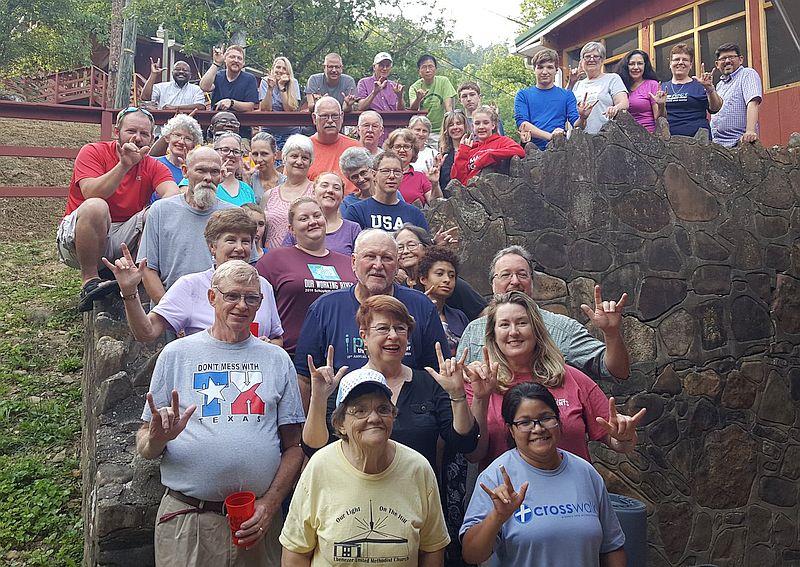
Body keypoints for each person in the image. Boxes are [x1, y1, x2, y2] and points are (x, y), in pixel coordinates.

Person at [136, 260, 304, 566]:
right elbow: (146, 444)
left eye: (251, 298)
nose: (242, 305)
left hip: (256, 522)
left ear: (260, 303)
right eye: (232, 296)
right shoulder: (177, 354)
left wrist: (270, 504)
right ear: (212, 298)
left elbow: (294, 447)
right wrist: (157, 439)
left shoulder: (277, 360)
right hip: (189, 521)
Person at [280, 368, 450, 566]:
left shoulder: (418, 468)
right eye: (360, 410)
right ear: (340, 424)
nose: (374, 418)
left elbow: (432, 549)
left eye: (383, 409)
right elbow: (296, 553)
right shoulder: (320, 467)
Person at [463, 291, 644, 469]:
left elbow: (618, 442)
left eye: (522, 323)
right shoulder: (480, 383)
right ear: (492, 335)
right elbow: (474, 455)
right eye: (504, 325)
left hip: (572, 492)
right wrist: (481, 398)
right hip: (508, 495)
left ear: (537, 330)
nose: (514, 332)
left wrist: (624, 436)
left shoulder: (572, 378)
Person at [302, 293, 481, 468]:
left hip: (415, 489)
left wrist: (457, 394)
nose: (393, 335)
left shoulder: (429, 383)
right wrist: (318, 398)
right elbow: (314, 448)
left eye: (400, 328)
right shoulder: (347, 384)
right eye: (383, 328)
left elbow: (464, 444)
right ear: (363, 336)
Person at [460, 383, 626, 567]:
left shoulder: (586, 473)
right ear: (511, 430)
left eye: (546, 418)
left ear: (558, 420)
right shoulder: (496, 477)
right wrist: (496, 517)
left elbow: (612, 546)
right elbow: (472, 555)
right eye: (525, 422)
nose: (538, 429)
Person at [293, 229, 449, 403]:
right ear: (353, 261)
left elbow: (438, 373)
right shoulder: (324, 308)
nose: (378, 265)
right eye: (370, 256)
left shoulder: (421, 306)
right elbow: (304, 378)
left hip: (410, 418)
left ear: (397, 265)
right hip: (341, 420)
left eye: (387, 258)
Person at [58, 107, 178, 311]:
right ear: (117, 132)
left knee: (158, 211)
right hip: (78, 238)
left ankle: (138, 276)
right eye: (131, 131)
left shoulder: (153, 165)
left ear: (152, 138)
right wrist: (124, 165)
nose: (137, 138)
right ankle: (89, 281)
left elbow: (173, 195)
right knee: (96, 206)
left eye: (144, 134)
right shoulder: (93, 151)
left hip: (124, 237)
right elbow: (91, 193)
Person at [103, 208, 283, 344]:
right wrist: (129, 292)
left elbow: (277, 337)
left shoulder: (262, 286)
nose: (239, 248)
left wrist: (267, 347)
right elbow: (147, 332)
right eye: (231, 240)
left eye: (245, 241)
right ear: (212, 246)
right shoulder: (190, 285)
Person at [457, 245, 630, 382]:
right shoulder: (474, 332)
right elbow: (460, 384)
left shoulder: (563, 329)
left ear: (532, 283)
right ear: (493, 285)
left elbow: (617, 371)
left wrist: (612, 334)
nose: (515, 281)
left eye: (522, 274)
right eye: (506, 275)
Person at [257, 197, 356, 356]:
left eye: (317, 216)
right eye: (304, 218)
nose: (313, 221)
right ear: (291, 229)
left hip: (343, 354)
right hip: (292, 354)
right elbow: (258, 307)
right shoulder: (273, 260)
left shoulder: (349, 263)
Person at [137, 147, 233, 304]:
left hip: (220, 313)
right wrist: (170, 313)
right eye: (201, 170)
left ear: (221, 175)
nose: (208, 178)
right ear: (185, 171)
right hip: (170, 310)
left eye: (214, 172)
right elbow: (147, 269)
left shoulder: (232, 215)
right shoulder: (161, 211)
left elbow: (244, 267)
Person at [394, 224, 486, 321]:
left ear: (426, 248)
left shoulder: (446, 281)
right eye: (399, 247)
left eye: (411, 245)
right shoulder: (399, 287)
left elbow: (484, 312)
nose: (405, 251)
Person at [514, 49, 584, 150]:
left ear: (556, 70)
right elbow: (522, 125)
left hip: (559, 150)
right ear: (534, 69)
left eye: (550, 67)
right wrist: (551, 136)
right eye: (540, 67)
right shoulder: (523, 95)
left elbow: (577, 125)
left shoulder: (567, 95)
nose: (545, 72)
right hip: (531, 150)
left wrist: (583, 117)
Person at [343, 151, 430, 232]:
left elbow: (424, 245)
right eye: (385, 171)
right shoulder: (356, 211)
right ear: (374, 175)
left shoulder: (415, 214)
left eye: (397, 171)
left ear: (402, 176)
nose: (392, 176)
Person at [283, 172, 361, 255]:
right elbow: (284, 258)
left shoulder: (353, 229)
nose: (330, 190)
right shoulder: (300, 227)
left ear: (342, 197)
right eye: (324, 185)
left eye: (336, 188)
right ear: (313, 193)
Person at [263, 134, 315, 249]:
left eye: (305, 158)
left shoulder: (317, 192)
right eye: (294, 156)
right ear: (284, 158)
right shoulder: (269, 195)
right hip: (272, 260)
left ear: (311, 162)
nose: (299, 161)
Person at [451, 105, 525, 185]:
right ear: (473, 126)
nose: (481, 127)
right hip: (468, 191)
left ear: (493, 125)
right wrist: (462, 152)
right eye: (477, 123)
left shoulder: (502, 141)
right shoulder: (470, 148)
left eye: (486, 123)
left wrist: (490, 155)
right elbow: (457, 179)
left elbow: (519, 151)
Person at [663, 43, 722, 138]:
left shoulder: (700, 85)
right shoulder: (662, 87)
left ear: (690, 65)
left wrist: (710, 89)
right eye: (677, 59)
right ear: (670, 64)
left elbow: (715, 108)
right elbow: (659, 117)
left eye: (685, 60)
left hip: (698, 140)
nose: (680, 62)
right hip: (670, 141)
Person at [418, 246, 469, 355]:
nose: (447, 280)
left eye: (452, 276)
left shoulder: (459, 317)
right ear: (423, 279)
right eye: (439, 274)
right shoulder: (413, 312)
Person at [570, 41, 629, 134]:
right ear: (581, 62)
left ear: (602, 60)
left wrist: (615, 108)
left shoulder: (612, 78)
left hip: (605, 136)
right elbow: (563, 105)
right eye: (587, 56)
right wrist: (571, 82)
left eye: (596, 56)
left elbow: (624, 103)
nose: (591, 59)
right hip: (578, 138)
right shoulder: (577, 84)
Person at [710, 42, 762, 147]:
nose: (727, 61)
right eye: (723, 59)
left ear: (741, 59)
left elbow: (753, 102)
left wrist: (750, 131)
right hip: (717, 145)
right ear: (717, 64)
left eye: (731, 57)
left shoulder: (747, 74)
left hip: (739, 142)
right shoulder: (719, 85)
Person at [307, 96, 361, 193]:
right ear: (314, 118)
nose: (330, 120)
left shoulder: (355, 148)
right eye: (324, 116)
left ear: (342, 117)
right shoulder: (303, 149)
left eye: (335, 116)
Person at [384, 128, 440, 206]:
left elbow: (436, 204)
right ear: (390, 150)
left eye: (406, 146)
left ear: (413, 151)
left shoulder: (420, 177)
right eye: (397, 146)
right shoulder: (381, 175)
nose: (402, 150)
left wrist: (435, 184)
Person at [258, 56, 302, 151]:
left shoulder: (293, 83)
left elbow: (289, 110)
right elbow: (265, 109)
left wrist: (282, 87)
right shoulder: (265, 81)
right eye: (278, 67)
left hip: (290, 130)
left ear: (288, 72)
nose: (280, 70)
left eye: (284, 68)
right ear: (273, 68)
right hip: (268, 129)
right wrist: (270, 88)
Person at [199, 44, 260, 114]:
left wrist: (231, 103)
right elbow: (204, 87)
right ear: (225, 59)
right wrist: (216, 63)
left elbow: (250, 106)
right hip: (218, 119)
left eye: (239, 58)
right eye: (232, 57)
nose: (236, 60)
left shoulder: (249, 79)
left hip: (240, 121)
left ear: (243, 63)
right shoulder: (218, 76)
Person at [615, 50, 665, 133]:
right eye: (631, 64)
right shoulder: (619, 86)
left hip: (648, 135)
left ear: (645, 66)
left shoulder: (652, 84)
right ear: (626, 66)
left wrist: (661, 105)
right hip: (624, 137)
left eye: (640, 63)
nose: (636, 67)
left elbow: (659, 118)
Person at [409, 55, 457, 143]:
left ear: (435, 69)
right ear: (419, 71)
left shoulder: (443, 82)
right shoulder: (414, 87)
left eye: (430, 66)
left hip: (441, 131)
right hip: (422, 131)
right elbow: (413, 110)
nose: (428, 70)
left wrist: (450, 128)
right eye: (424, 67)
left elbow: (448, 108)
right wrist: (418, 99)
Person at [151, 113, 204, 186]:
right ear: (167, 137)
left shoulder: (197, 171)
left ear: (194, 144)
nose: (181, 142)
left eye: (188, 138)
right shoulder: (153, 163)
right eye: (177, 135)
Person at [140, 58, 206, 111]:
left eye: (185, 70)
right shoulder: (161, 87)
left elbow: (201, 106)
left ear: (190, 75)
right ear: (172, 73)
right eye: (177, 69)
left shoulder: (196, 89)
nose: (181, 72)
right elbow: (145, 98)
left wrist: (175, 108)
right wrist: (153, 74)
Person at [213, 132, 257, 206]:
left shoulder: (246, 189)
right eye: (225, 150)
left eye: (236, 152)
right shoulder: (208, 183)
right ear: (215, 152)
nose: (231, 155)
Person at [248, 132, 287, 205]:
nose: (259, 159)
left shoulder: (285, 182)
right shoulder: (250, 180)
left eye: (264, 154)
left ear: (275, 155)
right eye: (255, 154)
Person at [438, 110, 470, 193]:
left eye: (459, 123)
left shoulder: (474, 149)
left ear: (465, 126)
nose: (455, 127)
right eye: (451, 125)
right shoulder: (443, 154)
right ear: (446, 129)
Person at [339, 146, 379, 214]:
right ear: (349, 179)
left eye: (363, 173)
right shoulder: (347, 203)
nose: (361, 179)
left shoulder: (390, 194)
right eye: (354, 177)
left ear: (371, 170)